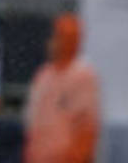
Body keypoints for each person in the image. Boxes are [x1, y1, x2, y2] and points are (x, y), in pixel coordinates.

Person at [24, 13, 99, 163]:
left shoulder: (82, 76)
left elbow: (86, 128)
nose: (51, 43)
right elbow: (32, 124)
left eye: (57, 37)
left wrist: (75, 157)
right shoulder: (43, 76)